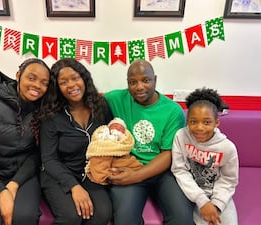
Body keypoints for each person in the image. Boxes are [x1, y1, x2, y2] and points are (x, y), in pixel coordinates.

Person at [104, 59, 195, 225]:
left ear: (155, 80)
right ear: (127, 83)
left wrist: (136, 176)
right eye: (133, 82)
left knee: (183, 219)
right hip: (129, 166)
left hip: (162, 172)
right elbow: (87, 97)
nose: (139, 87)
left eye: (146, 80)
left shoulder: (173, 111)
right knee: (124, 220)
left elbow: (168, 154)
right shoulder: (116, 98)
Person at [0, 58, 51, 225]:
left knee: (24, 217)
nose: (37, 86)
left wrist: (14, 185)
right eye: (31, 78)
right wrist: (1, 192)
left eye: (44, 82)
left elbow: (37, 154)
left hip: (25, 174)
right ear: (18, 75)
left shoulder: (44, 110)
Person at [39, 58, 113, 225]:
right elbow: (49, 159)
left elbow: (110, 137)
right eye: (63, 82)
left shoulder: (100, 105)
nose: (71, 85)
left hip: (90, 173)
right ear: (57, 87)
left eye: (75, 78)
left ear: (84, 78)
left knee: (102, 213)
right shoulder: (51, 115)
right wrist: (74, 186)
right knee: (71, 216)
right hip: (57, 174)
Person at [171, 87, 239, 225]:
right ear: (187, 121)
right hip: (189, 192)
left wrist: (216, 205)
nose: (199, 128)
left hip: (217, 195)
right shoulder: (181, 136)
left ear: (216, 123)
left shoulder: (227, 148)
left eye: (207, 122)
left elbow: (228, 180)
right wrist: (201, 201)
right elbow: (179, 169)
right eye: (193, 121)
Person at [85, 117, 143, 185]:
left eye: (121, 128)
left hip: (118, 153)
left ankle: (135, 169)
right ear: (109, 127)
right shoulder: (105, 132)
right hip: (103, 151)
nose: (118, 128)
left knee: (126, 162)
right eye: (115, 126)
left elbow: (126, 142)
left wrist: (120, 140)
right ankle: (102, 176)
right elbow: (97, 139)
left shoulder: (123, 136)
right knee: (99, 161)